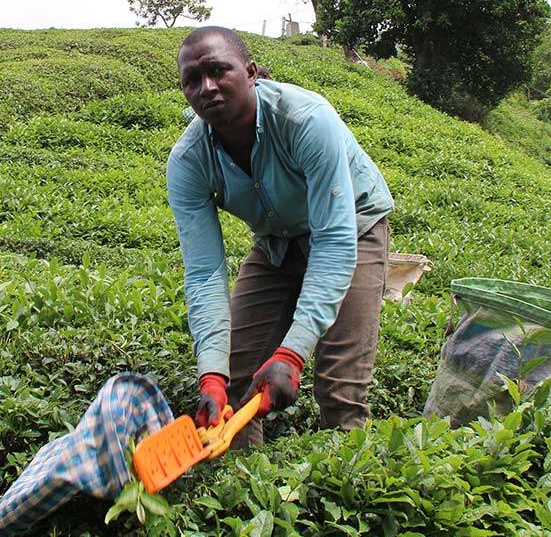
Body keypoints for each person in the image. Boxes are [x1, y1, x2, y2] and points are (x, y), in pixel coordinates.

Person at [166, 26, 394, 447]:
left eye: (218, 71)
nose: (207, 87)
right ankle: (242, 478)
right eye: (192, 80)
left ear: (251, 72)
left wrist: (292, 353)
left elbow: (333, 239)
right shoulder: (188, 161)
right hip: (276, 241)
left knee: (339, 388)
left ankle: (345, 475)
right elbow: (203, 274)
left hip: (353, 226)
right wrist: (211, 374)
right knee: (235, 378)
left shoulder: (306, 119)